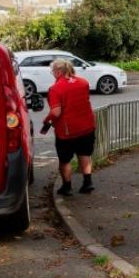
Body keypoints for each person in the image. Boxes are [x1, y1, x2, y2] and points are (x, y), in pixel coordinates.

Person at [41, 58, 96, 196]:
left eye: (53, 70)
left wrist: (46, 121)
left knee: (65, 160)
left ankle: (67, 187)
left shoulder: (55, 89)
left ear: (59, 71)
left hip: (67, 132)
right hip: (87, 127)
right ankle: (87, 183)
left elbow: (56, 112)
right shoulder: (83, 82)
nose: (52, 73)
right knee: (84, 154)